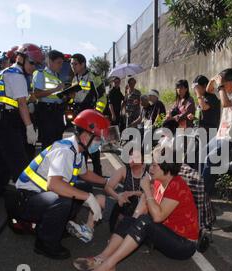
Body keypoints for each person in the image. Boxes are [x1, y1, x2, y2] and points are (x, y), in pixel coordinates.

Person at [72, 146, 198, 271]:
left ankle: (108, 266)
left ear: (167, 167)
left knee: (145, 221)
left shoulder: (177, 186)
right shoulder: (157, 181)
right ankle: (101, 258)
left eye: (154, 165)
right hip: (166, 234)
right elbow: (139, 211)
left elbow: (157, 217)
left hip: (184, 245)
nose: (150, 169)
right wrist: (127, 228)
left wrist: (147, 191)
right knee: (131, 219)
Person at [13, 109, 110, 259]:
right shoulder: (64, 151)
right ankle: (45, 243)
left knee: (83, 187)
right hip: (25, 199)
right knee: (64, 200)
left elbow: (84, 174)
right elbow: (54, 185)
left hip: (39, 194)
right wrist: (89, 198)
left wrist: (106, 181)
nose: (99, 143)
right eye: (98, 139)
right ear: (85, 135)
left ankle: (59, 224)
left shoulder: (77, 151)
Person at [0, 43, 44, 199]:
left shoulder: (3, 72)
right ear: (20, 58)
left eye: (37, 64)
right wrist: (29, 127)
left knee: (5, 160)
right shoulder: (16, 75)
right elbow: (21, 103)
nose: (34, 67)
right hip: (7, 120)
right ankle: (29, 199)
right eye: (32, 63)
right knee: (20, 161)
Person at [202, 68, 232, 195]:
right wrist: (213, 79)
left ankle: (203, 193)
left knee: (210, 159)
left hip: (231, 139)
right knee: (202, 154)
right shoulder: (226, 92)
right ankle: (202, 189)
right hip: (220, 136)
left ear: (230, 82)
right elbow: (208, 90)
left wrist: (221, 87)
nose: (220, 85)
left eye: (223, 82)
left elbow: (225, 104)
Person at [70, 53, 102, 176]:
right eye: (71, 64)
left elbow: (102, 97)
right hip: (78, 115)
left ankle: (98, 173)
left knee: (92, 146)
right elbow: (76, 98)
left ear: (83, 64)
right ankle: (82, 173)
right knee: (80, 145)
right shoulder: (75, 78)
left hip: (90, 115)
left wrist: (96, 114)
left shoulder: (94, 77)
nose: (73, 66)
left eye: (75, 64)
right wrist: (70, 98)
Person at [104, 146, 147, 232]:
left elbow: (152, 195)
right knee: (98, 199)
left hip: (143, 208)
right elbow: (108, 187)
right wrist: (117, 196)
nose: (131, 159)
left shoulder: (149, 172)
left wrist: (134, 193)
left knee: (137, 202)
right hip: (125, 204)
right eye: (130, 156)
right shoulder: (124, 170)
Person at [32, 50, 66, 149]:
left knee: (57, 142)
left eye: (62, 63)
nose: (61, 66)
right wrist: (56, 89)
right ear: (50, 61)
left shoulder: (57, 76)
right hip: (46, 112)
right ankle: (46, 164)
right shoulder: (40, 74)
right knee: (48, 144)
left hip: (57, 111)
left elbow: (55, 95)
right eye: (58, 63)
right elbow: (36, 94)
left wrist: (65, 96)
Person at [188, 75, 221, 139]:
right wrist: (194, 117)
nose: (195, 90)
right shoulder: (202, 98)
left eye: (197, 87)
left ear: (205, 86)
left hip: (210, 133)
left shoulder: (212, 97)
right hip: (200, 131)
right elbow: (200, 118)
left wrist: (198, 94)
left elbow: (204, 107)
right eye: (194, 88)